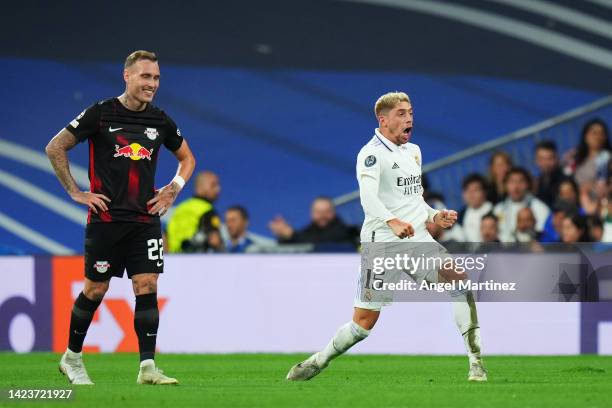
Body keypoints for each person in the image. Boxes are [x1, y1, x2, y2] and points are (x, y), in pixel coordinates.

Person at [286, 92, 487, 382]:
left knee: (459, 281)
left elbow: (414, 199)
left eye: (411, 113)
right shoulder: (371, 154)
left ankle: (476, 363)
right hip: (382, 244)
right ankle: (319, 360)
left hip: (417, 240)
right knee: (362, 326)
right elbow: (368, 199)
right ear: (384, 120)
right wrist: (391, 221)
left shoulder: (413, 152)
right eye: (402, 114)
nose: (410, 119)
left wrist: (433, 216)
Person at [45, 50, 196, 385]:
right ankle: (72, 358)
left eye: (156, 78)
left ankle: (147, 369)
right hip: (107, 220)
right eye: (145, 76)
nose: (152, 84)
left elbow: (187, 159)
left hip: (145, 220)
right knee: (96, 288)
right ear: (126, 76)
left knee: (147, 284)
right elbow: (55, 147)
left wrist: (174, 187)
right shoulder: (101, 113)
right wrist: (75, 191)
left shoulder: (159, 120)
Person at [167, 171, 223, 253]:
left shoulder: (180, 208)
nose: (218, 189)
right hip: (196, 261)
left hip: (173, 260)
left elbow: (165, 237)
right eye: (213, 185)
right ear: (200, 187)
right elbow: (215, 240)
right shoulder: (208, 211)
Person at [268, 197, 358, 247]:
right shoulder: (307, 232)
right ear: (311, 213)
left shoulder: (346, 231)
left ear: (333, 213)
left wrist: (291, 234)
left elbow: (324, 243)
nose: (322, 216)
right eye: (318, 212)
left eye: (326, 212)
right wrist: (284, 236)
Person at [493, 167, 550, 242]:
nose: (516, 187)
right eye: (511, 182)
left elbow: (544, 235)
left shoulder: (540, 208)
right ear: (505, 185)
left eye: (520, 182)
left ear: (528, 184)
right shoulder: (498, 209)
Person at [457, 174, 493, 242]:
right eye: (467, 190)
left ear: (485, 192)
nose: (471, 194)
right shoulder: (460, 216)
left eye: (475, 190)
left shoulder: (495, 211)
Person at [534, 140, 566, 208]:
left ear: (557, 158)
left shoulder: (565, 181)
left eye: (550, 158)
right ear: (536, 161)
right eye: (541, 159)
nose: (546, 163)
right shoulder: (537, 184)